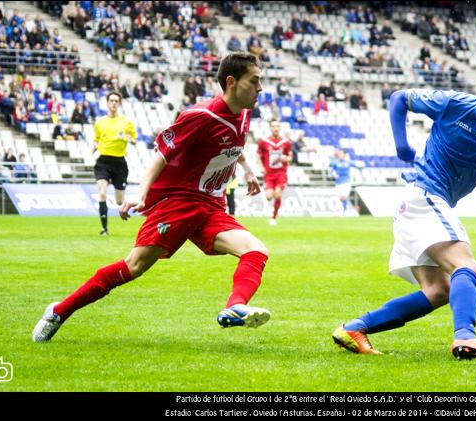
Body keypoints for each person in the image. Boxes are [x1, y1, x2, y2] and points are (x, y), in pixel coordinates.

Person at [32, 52, 271, 343]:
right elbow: (161, 153)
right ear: (231, 82)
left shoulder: (244, 112)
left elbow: (233, 141)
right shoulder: (201, 116)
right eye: (254, 81)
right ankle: (59, 311)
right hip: (180, 202)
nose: (260, 88)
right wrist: (141, 196)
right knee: (134, 266)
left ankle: (234, 307)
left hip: (210, 206)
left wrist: (246, 169)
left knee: (256, 250)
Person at [332, 55, 476, 359]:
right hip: (424, 196)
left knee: (439, 291)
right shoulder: (455, 104)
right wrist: (402, 145)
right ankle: (466, 338)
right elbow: (398, 99)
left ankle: (354, 327)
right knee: (467, 266)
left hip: (425, 204)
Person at [92, 91, 137, 236]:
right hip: (103, 161)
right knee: (102, 193)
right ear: (107, 102)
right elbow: (97, 139)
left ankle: (126, 207)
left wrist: (130, 139)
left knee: (119, 201)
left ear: (120, 104)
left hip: (119, 163)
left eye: (116, 101)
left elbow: (134, 139)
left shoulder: (126, 123)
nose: (113, 103)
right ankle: (104, 229)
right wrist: (93, 147)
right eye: (111, 100)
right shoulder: (100, 122)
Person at [257, 119, 292, 225]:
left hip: (281, 174)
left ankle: (274, 217)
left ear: (280, 128)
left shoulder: (286, 142)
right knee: (268, 197)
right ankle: (273, 212)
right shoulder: (264, 142)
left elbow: (290, 156)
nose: (275, 128)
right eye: (273, 126)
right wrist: (261, 167)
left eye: (277, 126)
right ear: (270, 128)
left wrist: (286, 158)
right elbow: (258, 156)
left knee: (277, 194)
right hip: (269, 174)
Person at [330, 149, 363, 216]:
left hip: (346, 182)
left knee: (343, 197)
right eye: (339, 153)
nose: (340, 155)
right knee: (339, 198)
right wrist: (334, 175)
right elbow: (331, 172)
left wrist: (363, 165)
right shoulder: (335, 163)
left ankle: (342, 213)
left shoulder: (348, 162)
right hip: (338, 182)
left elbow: (359, 166)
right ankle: (341, 211)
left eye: (341, 153)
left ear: (344, 155)